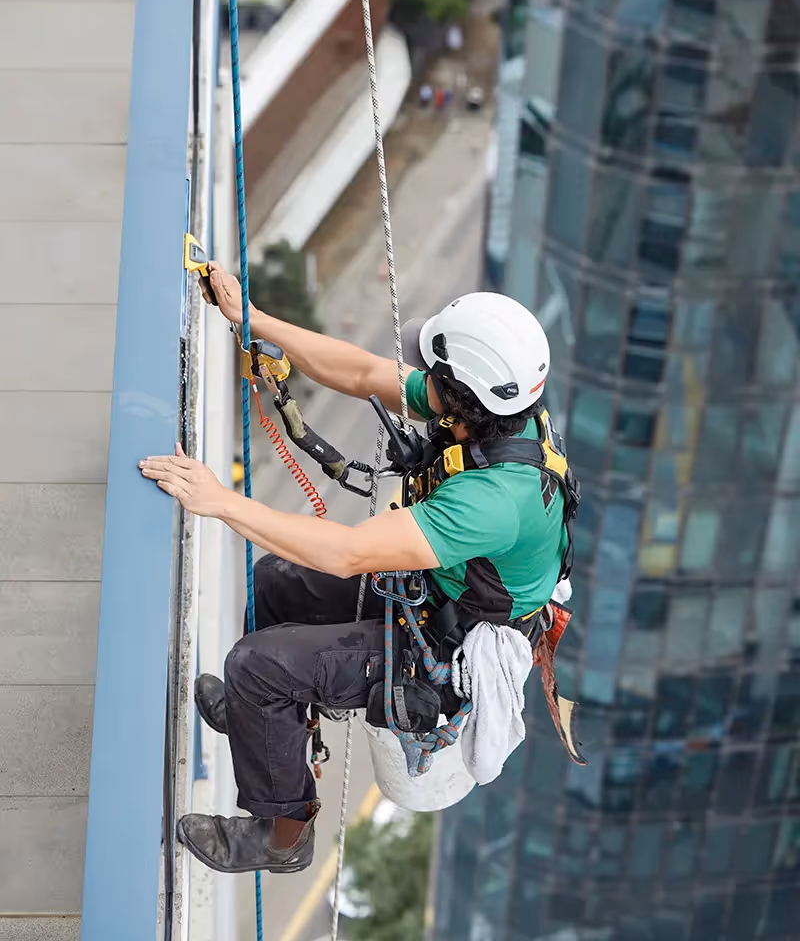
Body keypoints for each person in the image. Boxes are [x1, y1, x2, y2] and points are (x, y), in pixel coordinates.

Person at [140, 262, 570, 875]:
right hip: (435, 596)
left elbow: (347, 550)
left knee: (257, 667)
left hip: (446, 650)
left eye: (435, 376)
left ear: (460, 394)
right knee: (274, 584)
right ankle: (272, 730)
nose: (423, 381)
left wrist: (220, 502)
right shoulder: (487, 417)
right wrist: (252, 320)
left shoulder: (496, 500)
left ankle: (282, 835)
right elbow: (366, 374)